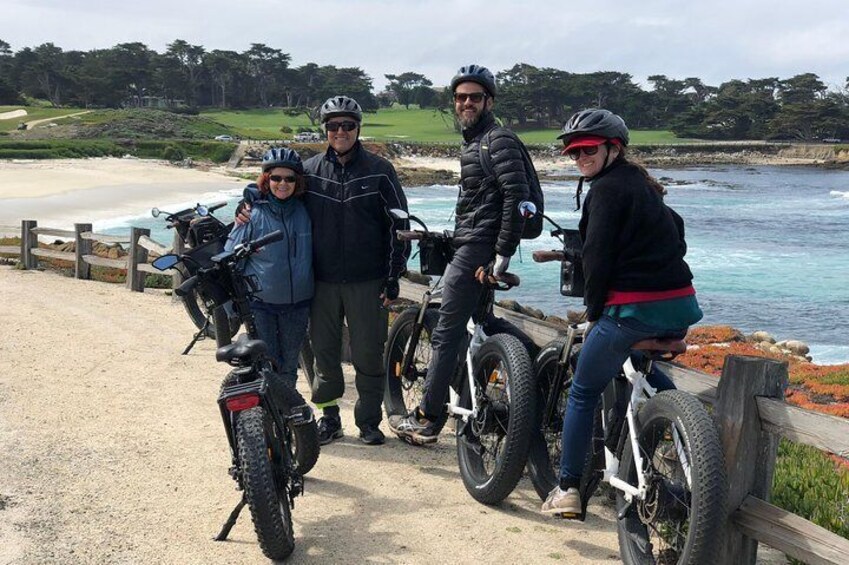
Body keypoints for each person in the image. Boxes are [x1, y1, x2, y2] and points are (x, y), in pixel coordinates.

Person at [540, 108, 703, 516]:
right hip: (680, 306)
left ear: (614, 148)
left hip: (633, 313)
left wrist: (594, 312)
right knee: (631, 360)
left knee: (582, 391)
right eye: (573, 153)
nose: (580, 159)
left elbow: (596, 259)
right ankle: (691, 433)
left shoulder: (605, 192)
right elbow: (677, 232)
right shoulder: (647, 187)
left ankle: (568, 490)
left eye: (588, 149)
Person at [237, 95, 409, 446]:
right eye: (333, 126)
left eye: (347, 125)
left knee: (368, 356)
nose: (340, 131)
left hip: (368, 280)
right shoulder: (310, 171)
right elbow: (278, 194)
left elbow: (400, 227)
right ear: (325, 129)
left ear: (358, 128)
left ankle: (369, 422)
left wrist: (394, 276)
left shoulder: (381, 170)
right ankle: (330, 418)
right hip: (321, 282)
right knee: (324, 357)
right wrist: (248, 199)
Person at [389, 64, 530, 445]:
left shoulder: (496, 140)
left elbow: (517, 198)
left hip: (481, 247)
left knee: (447, 330)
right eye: (461, 97)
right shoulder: (474, 142)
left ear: (489, 101)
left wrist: (501, 253)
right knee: (482, 320)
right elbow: (481, 200)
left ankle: (427, 417)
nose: (467, 103)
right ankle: (532, 365)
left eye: (475, 97)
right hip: (472, 241)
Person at [225, 147, 313, 400]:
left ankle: (286, 422)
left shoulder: (306, 210)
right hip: (261, 304)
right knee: (266, 365)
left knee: (288, 367)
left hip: (298, 304)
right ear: (266, 180)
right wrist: (232, 304)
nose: (282, 184)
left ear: (298, 182)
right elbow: (231, 256)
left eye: (289, 178)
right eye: (275, 178)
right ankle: (265, 421)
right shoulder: (251, 213)